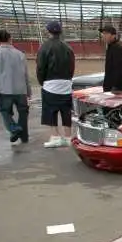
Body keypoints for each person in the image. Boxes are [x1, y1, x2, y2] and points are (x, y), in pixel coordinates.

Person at [36, 20, 76, 148]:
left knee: (50, 111)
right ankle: (68, 137)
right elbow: (72, 66)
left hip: (50, 84)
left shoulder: (44, 47)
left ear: (48, 31)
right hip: (66, 84)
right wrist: (68, 79)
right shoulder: (68, 47)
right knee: (66, 111)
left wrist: (42, 81)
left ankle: (55, 137)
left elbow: (40, 67)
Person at [0, 29, 31, 145]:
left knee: (5, 111)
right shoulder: (20, 54)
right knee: (23, 112)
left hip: (5, 89)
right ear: (10, 38)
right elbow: (26, 74)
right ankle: (24, 136)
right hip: (21, 89)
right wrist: (28, 90)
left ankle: (14, 128)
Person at [100, 25, 122, 93]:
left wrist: (115, 87)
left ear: (113, 35)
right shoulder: (111, 47)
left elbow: (119, 70)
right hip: (112, 89)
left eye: (106, 34)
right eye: (103, 34)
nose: (103, 36)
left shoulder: (117, 48)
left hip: (117, 90)